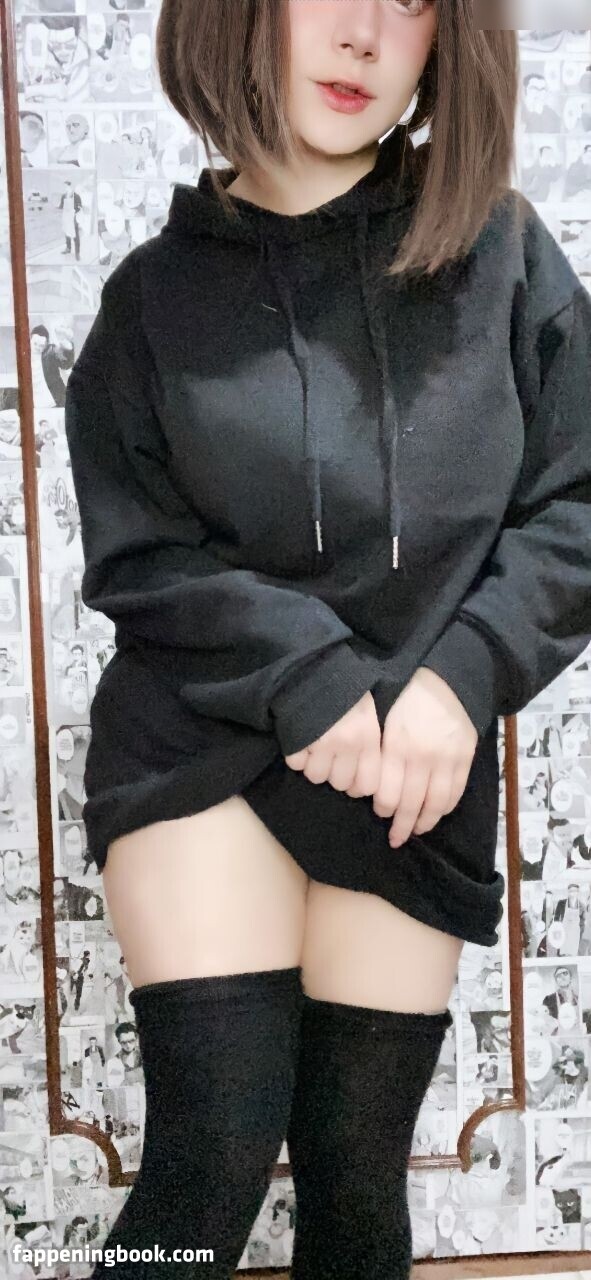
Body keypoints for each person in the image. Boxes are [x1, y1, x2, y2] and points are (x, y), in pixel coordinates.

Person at [62, 1, 591, 1277]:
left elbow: (577, 501)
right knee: (212, 1153)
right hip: (208, 744)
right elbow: (142, 557)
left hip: (413, 769)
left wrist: (461, 680)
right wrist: (309, 678)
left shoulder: (507, 259)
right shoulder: (150, 302)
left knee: (356, 1178)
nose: (363, 32)